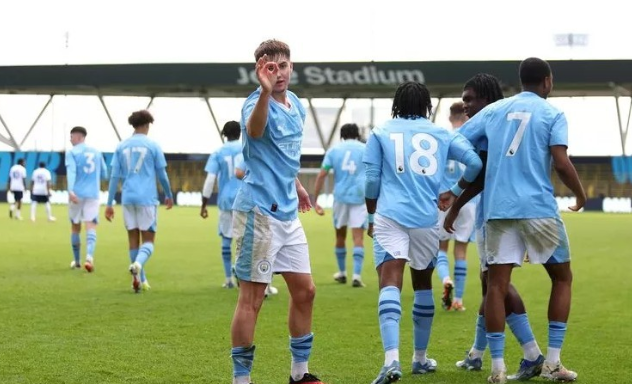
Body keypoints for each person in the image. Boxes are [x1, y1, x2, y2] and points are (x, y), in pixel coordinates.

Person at [448, 59, 585, 383]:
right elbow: (561, 163)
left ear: (520, 80)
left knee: (495, 286)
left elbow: (457, 140)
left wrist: (459, 185)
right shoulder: (552, 114)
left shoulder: (495, 112)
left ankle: (496, 368)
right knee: (562, 278)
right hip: (537, 207)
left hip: (497, 209)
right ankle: (551, 362)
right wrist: (579, 195)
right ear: (547, 82)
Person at [363, 81, 483, 384]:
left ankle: (391, 360)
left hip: (390, 215)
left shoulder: (380, 131)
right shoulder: (441, 133)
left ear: (396, 104)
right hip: (426, 218)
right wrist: (454, 191)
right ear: (426, 106)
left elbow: (372, 179)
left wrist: (370, 214)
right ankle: (419, 358)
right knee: (422, 285)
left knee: (390, 281)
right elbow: (474, 163)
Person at [229, 39, 324, 384]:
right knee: (252, 299)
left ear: (291, 67)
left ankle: (299, 374)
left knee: (306, 291)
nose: (278, 73)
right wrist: (265, 92)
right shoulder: (255, 103)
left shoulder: (297, 104)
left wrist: (297, 184)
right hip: (259, 213)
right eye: (270, 68)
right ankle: (242, 380)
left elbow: (286, 155)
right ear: (260, 70)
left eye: (282, 66)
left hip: (286, 213)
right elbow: (255, 132)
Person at [443, 73, 545, 381]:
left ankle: (532, 353)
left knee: (496, 284)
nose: (467, 105)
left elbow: (483, 172)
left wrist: (456, 202)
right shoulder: (505, 121)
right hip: (508, 210)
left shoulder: (490, 125)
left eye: (471, 99)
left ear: (488, 98)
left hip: (497, 213)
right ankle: (476, 353)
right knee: (489, 283)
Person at [105, 110, 174, 293]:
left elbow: (114, 177)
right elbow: (162, 174)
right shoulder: (153, 145)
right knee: (149, 241)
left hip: (127, 198)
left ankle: (139, 280)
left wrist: (109, 203)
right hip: (146, 199)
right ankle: (137, 264)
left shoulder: (121, 146)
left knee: (133, 240)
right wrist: (168, 194)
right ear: (147, 125)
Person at [313, 123, 367, 287]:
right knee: (358, 237)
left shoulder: (334, 150)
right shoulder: (365, 149)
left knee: (340, 236)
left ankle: (342, 273)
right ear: (357, 135)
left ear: (341, 135)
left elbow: (322, 174)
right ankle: (356, 276)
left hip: (341, 197)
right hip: (360, 196)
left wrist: (315, 199)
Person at [435, 101, 476, 311]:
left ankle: (445, 279)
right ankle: (458, 300)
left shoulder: (443, 138)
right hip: (468, 201)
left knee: (441, 248)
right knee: (461, 251)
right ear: (466, 116)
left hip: (444, 199)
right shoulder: (471, 140)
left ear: (450, 118)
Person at [200, 121, 244, 289]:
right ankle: (241, 271)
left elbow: (210, 179)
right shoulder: (246, 148)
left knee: (226, 239)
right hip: (245, 199)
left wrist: (204, 204)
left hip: (226, 200)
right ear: (240, 133)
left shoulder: (218, 152)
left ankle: (228, 279)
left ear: (224, 134)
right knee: (244, 239)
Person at [65, 126, 108, 272]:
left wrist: (70, 190)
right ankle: (89, 257)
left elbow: (71, 171)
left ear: (78, 137)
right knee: (91, 226)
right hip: (93, 194)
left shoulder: (72, 152)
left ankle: (77, 261)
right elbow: (104, 174)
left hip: (76, 193)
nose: (70, 139)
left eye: (71, 137)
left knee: (75, 226)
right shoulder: (96, 152)